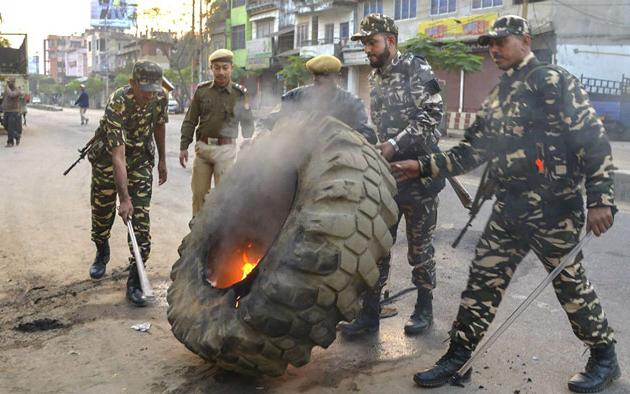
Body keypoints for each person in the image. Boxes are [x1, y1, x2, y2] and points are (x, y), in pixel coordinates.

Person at [391, 16, 620, 392]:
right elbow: (471, 152)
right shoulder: (499, 96)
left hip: (555, 209)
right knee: (481, 282)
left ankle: (604, 357)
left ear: (525, 42)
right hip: (509, 208)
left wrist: (601, 200)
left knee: (570, 286)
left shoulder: (553, 81)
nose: (494, 49)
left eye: (502, 42)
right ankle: (457, 356)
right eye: (491, 43)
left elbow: (593, 140)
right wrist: (423, 166)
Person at [339, 14, 445, 337]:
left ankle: (424, 309)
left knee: (419, 248)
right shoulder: (375, 78)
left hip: (419, 174)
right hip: (387, 177)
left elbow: (434, 114)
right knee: (377, 245)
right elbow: (381, 123)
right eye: (365, 44)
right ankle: (370, 315)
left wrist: (395, 143)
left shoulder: (416, 69)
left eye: (372, 43)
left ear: (391, 41)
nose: (367, 50)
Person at [86, 61, 168, 306]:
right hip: (108, 161)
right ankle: (102, 249)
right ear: (132, 83)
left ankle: (134, 279)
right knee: (102, 214)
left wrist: (163, 159)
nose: (150, 95)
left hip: (140, 160)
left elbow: (160, 125)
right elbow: (117, 156)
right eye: (145, 90)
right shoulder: (118, 102)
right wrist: (124, 198)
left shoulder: (159, 97)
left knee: (140, 219)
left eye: (155, 89)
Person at [179, 49, 254, 216]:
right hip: (203, 150)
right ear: (211, 68)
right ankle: (196, 234)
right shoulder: (202, 91)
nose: (221, 72)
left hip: (225, 152)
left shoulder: (240, 94)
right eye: (217, 67)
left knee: (225, 197)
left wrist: (248, 143)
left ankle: (222, 236)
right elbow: (190, 120)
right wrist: (184, 146)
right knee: (199, 195)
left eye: (225, 68)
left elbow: (248, 122)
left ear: (231, 68)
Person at [257, 54, 376, 143]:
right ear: (313, 78)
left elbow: (368, 136)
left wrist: (342, 137)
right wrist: (260, 137)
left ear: (339, 78)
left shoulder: (352, 103)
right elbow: (267, 122)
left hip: (338, 158)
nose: (322, 87)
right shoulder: (295, 97)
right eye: (318, 82)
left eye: (327, 82)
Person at [3, 77, 23, 147]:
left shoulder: (17, 90)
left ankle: (10, 142)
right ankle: (16, 136)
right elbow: (5, 98)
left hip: (13, 111)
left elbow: (12, 95)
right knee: (5, 124)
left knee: (11, 126)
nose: (7, 83)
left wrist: (6, 87)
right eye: (7, 82)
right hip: (7, 110)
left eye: (9, 82)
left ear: (13, 82)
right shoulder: (7, 90)